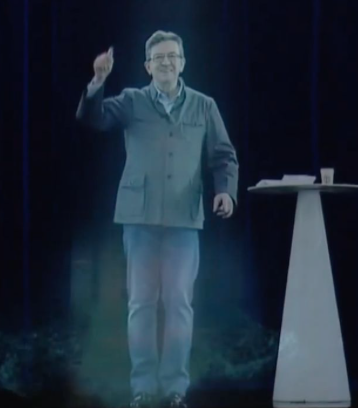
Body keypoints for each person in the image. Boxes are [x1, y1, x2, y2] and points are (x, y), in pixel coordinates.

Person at [75, 30, 239, 408]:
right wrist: (98, 80)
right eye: (159, 58)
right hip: (140, 219)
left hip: (184, 220)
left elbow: (223, 155)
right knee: (141, 304)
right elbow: (92, 118)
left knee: (179, 304)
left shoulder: (204, 106)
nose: (166, 63)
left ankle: (175, 389)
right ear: (147, 66)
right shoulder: (132, 101)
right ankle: (143, 388)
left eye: (172, 56)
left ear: (183, 63)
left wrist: (225, 191)